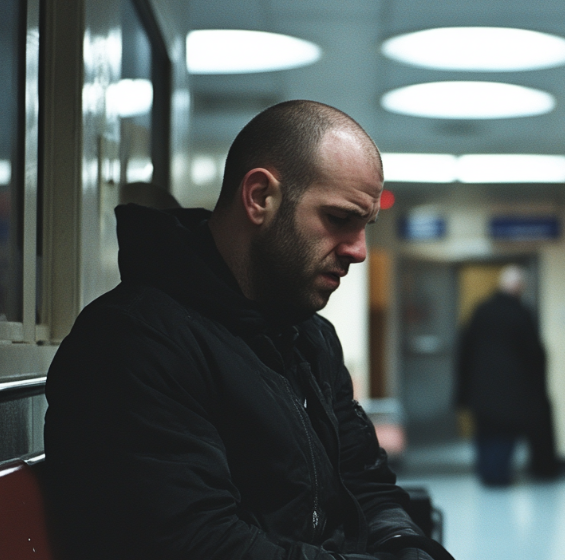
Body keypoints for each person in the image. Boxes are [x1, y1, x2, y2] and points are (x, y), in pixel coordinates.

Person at [45, 100, 452, 560]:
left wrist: (404, 546)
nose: (359, 250)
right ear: (260, 198)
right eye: (339, 219)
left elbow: (365, 481)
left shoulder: (310, 339)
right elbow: (196, 543)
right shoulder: (132, 343)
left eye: (366, 226)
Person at [455, 265, 558, 485]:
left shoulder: (480, 310)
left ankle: (486, 473)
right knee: (505, 434)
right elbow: (535, 355)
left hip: (480, 389)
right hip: (513, 392)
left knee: (485, 432)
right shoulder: (521, 313)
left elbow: (465, 351)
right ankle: (499, 476)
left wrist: (463, 389)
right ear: (519, 287)